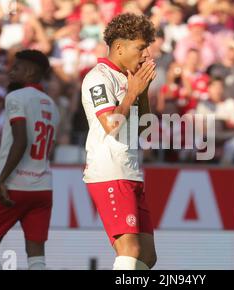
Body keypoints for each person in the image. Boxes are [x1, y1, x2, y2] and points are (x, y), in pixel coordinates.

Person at [81, 13, 157, 270]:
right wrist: (133, 92)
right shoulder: (98, 77)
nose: (146, 54)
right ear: (119, 47)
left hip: (131, 171)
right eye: (141, 47)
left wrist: (143, 92)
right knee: (130, 250)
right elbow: (111, 125)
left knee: (147, 256)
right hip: (109, 171)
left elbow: (146, 129)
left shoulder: (129, 79)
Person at [0, 49, 59, 270]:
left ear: (31, 71)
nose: (11, 71)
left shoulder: (15, 97)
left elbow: (21, 141)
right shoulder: (52, 105)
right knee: (36, 257)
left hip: (15, 187)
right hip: (43, 188)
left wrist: (2, 179)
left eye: (17, 67)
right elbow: (36, 149)